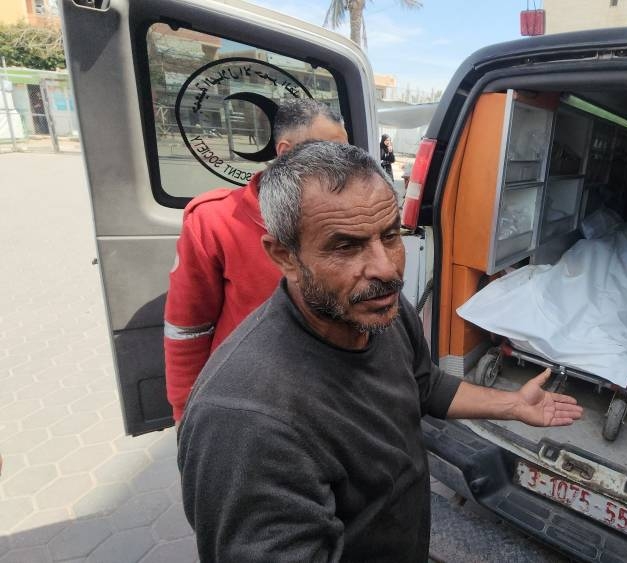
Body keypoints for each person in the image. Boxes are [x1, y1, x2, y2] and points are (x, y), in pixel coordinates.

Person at [177, 141, 583, 562]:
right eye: (346, 246)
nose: (387, 268)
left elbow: (424, 385)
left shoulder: (375, 308)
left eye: (390, 235)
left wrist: (512, 404)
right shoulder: (247, 421)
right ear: (285, 257)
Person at [164, 99, 348, 422]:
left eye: (345, 154)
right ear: (285, 152)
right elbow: (187, 327)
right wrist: (185, 411)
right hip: (248, 398)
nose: (342, 167)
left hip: (327, 391)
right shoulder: (215, 220)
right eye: (327, 154)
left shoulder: (348, 219)